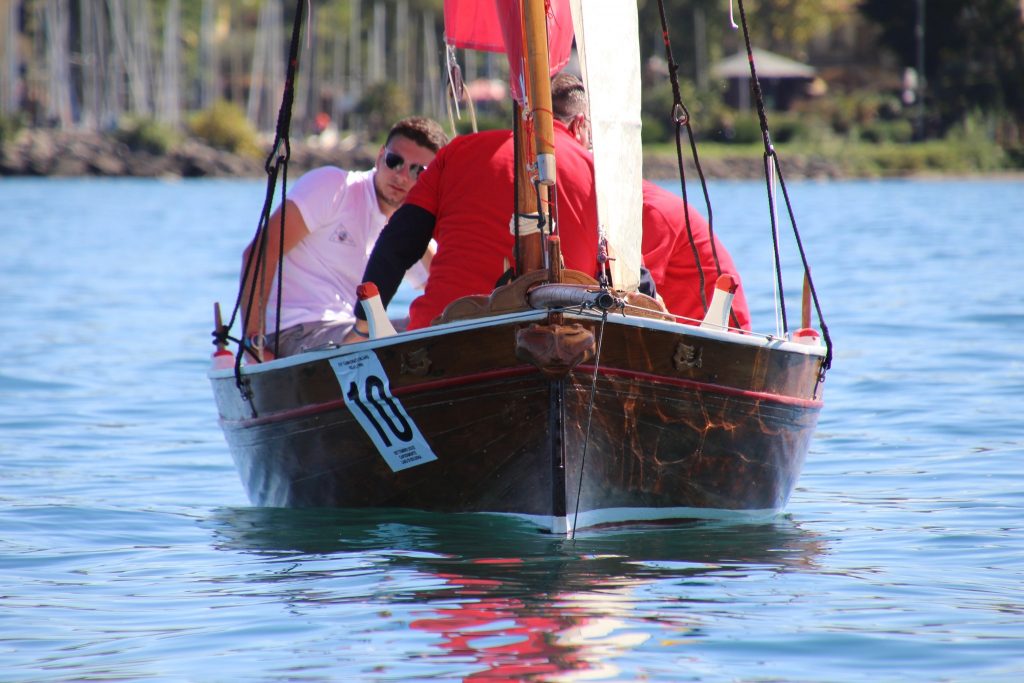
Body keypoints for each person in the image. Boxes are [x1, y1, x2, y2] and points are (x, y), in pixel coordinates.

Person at [347, 108, 601, 336]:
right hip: (559, 343)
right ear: (580, 125)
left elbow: (397, 244)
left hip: (438, 337)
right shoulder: (598, 174)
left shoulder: (457, 152)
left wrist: (364, 325)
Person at [549, 71, 751, 330]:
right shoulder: (595, 206)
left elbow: (632, 293)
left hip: (707, 345)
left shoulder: (648, 210)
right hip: (661, 341)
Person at [241, 116, 448, 358]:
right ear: (380, 156)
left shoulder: (407, 226)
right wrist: (253, 344)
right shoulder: (333, 186)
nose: (402, 176)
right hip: (295, 332)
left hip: (348, 333)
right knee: (383, 335)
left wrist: (420, 227)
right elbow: (260, 252)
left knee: (442, 324)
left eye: (418, 171)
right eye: (395, 161)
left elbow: (445, 292)